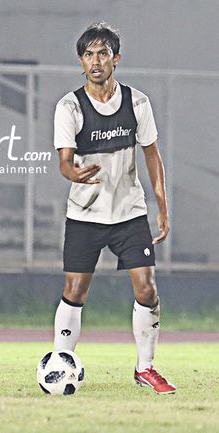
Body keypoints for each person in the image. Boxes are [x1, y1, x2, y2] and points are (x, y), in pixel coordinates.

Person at [52, 22, 176, 394]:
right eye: (88, 54)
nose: (96, 60)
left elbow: (152, 155)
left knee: (147, 288)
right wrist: (74, 173)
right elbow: (63, 161)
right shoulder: (69, 106)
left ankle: (146, 368)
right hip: (85, 214)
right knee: (74, 290)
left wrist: (162, 206)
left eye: (103, 53)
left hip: (128, 212)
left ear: (116, 58)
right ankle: (61, 363)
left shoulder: (137, 103)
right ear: (81, 61)